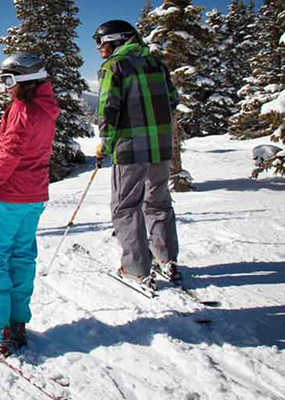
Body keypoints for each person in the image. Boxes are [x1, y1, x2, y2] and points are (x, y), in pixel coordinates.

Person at [0, 52, 59, 350]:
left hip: (10, 195)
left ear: (25, 81)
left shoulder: (22, 109)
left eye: (8, 80)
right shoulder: (46, 109)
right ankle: (17, 323)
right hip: (34, 196)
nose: (5, 87)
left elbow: (10, 152)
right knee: (21, 256)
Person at [93, 19, 181, 290]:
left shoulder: (114, 67)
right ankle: (166, 258)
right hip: (162, 147)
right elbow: (173, 99)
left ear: (117, 40)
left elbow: (109, 109)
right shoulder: (156, 63)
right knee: (159, 202)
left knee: (126, 206)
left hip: (131, 149)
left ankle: (136, 268)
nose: (99, 48)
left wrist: (105, 144)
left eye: (101, 41)